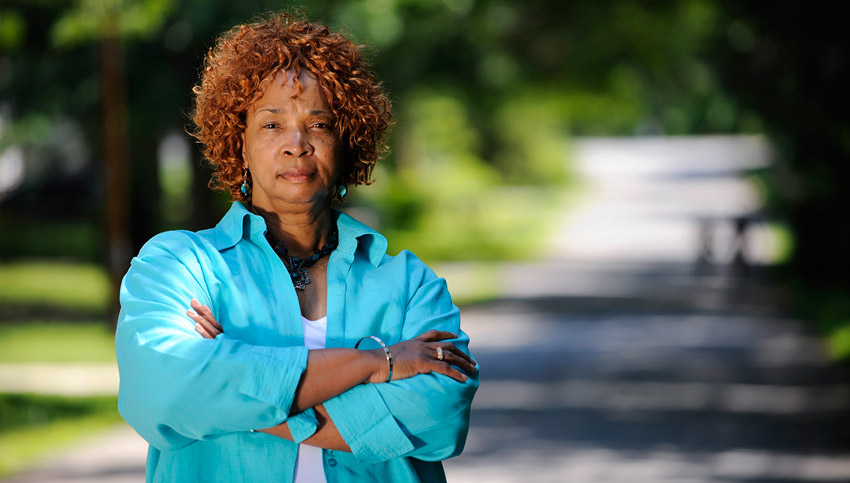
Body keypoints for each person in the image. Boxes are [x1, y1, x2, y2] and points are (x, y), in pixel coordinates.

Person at [114, 12, 479, 483]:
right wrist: (376, 363)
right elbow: (165, 392)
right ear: (239, 142)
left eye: (320, 124)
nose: (297, 145)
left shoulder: (409, 286)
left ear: (347, 142)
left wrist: (230, 385)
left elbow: (440, 419)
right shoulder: (179, 267)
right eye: (271, 125)